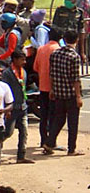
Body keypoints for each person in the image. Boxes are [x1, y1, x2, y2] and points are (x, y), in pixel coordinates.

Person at [45, 28, 83, 156]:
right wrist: (78, 96)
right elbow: (75, 79)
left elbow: (51, 74)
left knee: (58, 119)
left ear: (64, 39)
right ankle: (71, 149)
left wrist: (52, 89)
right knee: (73, 122)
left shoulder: (55, 54)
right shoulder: (74, 56)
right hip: (71, 94)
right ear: (76, 40)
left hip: (58, 92)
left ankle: (49, 142)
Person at [0, 49, 34, 164]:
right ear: (14, 60)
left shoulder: (23, 72)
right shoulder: (7, 74)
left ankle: (21, 155)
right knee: (8, 132)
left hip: (22, 106)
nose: (24, 62)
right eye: (22, 59)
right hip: (12, 108)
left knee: (24, 131)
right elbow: (4, 91)